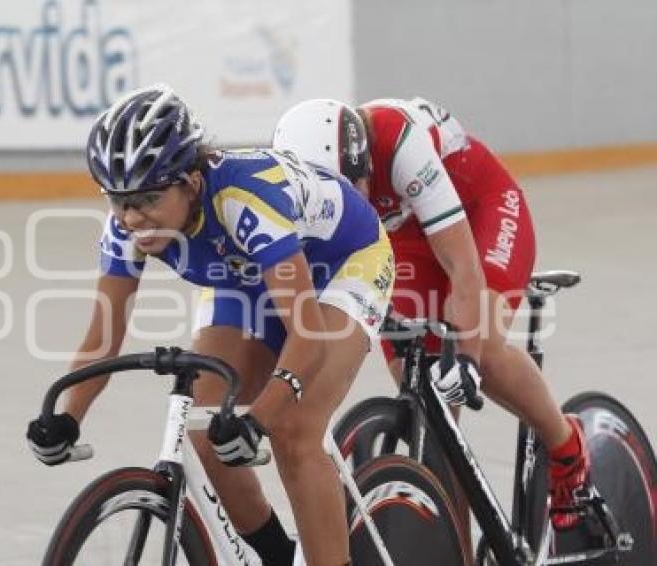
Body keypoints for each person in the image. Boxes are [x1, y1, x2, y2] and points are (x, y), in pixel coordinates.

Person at [27, 84, 395, 565]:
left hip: (342, 263)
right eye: (118, 200)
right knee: (204, 433)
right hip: (246, 275)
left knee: (295, 430)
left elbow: (309, 340)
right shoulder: (127, 226)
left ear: (192, 182)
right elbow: (102, 337)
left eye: (149, 198)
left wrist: (259, 420)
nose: (133, 217)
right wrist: (68, 418)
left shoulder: (244, 201)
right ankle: (276, 556)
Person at [273, 97, 590, 531]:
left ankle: (566, 446)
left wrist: (467, 357)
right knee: (424, 400)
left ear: (365, 161)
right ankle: (451, 541)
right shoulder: (297, 183)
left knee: (482, 343)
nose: (348, 202)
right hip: (404, 235)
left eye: (354, 187)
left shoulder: (400, 143)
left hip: (480, 210)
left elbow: (463, 264)